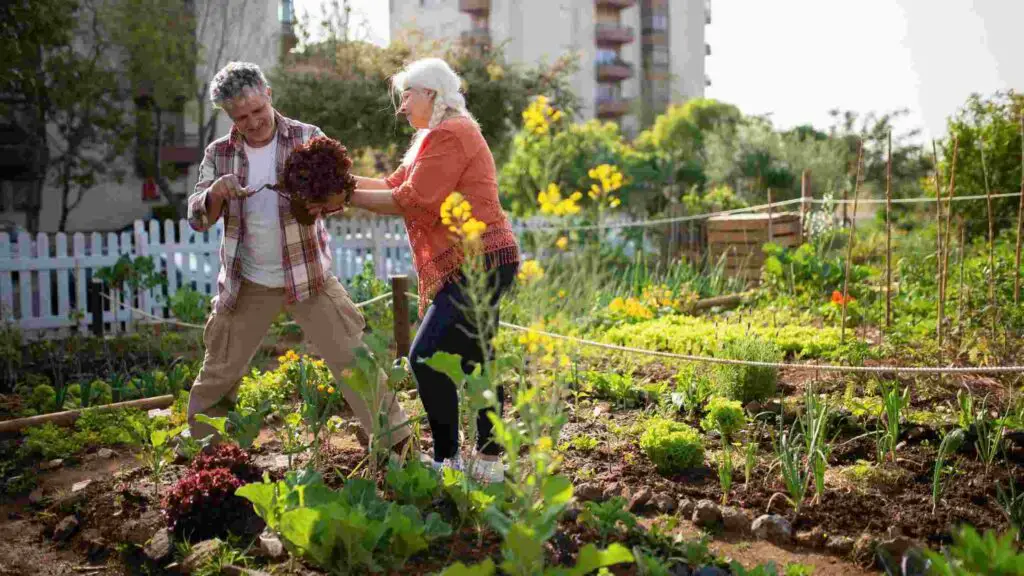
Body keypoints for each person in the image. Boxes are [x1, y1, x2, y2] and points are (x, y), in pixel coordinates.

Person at [185, 61, 409, 452]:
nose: (253, 122)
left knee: (356, 362)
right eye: (241, 117)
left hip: (309, 278)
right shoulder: (218, 154)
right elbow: (197, 217)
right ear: (228, 115)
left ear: (268, 95)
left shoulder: (307, 137)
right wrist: (215, 193)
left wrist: (321, 199)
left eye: (258, 110)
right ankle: (205, 458)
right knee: (219, 372)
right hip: (247, 281)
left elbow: (337, 197)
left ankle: (398, 448)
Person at [316, 58, 520, 483]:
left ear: (431, 93)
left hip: (478, 260)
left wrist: (344, 193)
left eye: (407, 95)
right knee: (479, 360)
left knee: (425, 358)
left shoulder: (453, 133)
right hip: (481, 259)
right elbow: (394, 185)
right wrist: (337, 183)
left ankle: (450, 460)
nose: (402, 105)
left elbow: (414, 198)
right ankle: (488, 463)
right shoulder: (435, 136)